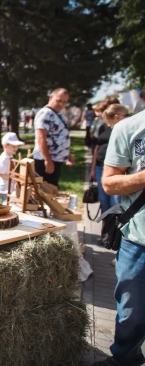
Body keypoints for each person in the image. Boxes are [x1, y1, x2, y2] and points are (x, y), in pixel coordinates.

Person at [97, 109, 145, 366]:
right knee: (131, 312)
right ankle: (126, 358)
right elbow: (110, 184)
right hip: (139, 239)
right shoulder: (129, 128)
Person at [89, 104, 128, 214]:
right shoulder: (104, 127)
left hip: (117, 170)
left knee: (115, 202)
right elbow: (97, 148)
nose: (107, 124)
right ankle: (106, 227)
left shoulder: (126, 129)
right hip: (100, 166)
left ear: (117, 117)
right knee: (104, 201)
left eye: (108, 121)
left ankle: (115, 228)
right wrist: (92, 169)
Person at [32, 88, 74, 187]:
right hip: (46, 161)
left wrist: (68, 154)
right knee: (46, 193)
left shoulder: (57, 113)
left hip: (56, 160)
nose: (61, 104)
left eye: (64, 102)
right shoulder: (45, 113)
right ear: (51, 98)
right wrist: (47, 160)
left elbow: (59, 136)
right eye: (59, 100)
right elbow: (41, 137)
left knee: (52, 190)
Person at [0, 132, 24, 203]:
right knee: (3, 206)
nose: (16, 148)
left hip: (10, 188)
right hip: (4, 189)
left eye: (17, 146)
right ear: (5, 145)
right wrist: (14, 179)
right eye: (13, 146)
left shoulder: (10, 156)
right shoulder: (4, 158)